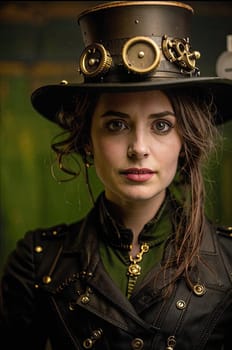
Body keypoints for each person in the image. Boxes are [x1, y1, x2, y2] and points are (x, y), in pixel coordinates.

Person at [0, 1, 231, 349]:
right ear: (87, 140)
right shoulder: (38, 261)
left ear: (185, 141)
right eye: (117, 124)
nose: (139, 147)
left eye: (162, 125)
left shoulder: (230, 260)